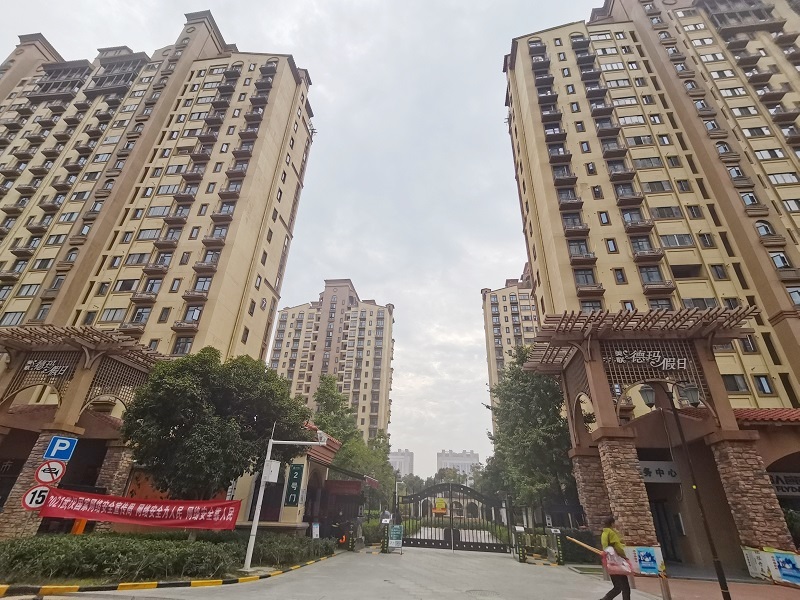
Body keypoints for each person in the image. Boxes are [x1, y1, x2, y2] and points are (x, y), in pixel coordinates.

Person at [600, 516, 631, 600]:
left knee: (617, 587)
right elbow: (617, 546)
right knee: (625, 587)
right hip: (617, 561)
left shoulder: (604, 533)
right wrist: (624, 555)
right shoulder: (612, 533)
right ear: (612, 523)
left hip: (610, 562)